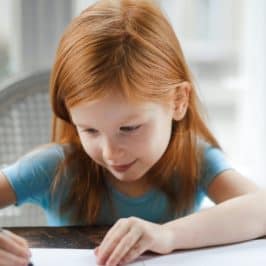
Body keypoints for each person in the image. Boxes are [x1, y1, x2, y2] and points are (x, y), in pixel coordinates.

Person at [0, 0, 263, 265]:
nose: (110, 152)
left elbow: (261, 209)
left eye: (129, 128)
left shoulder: (195, 159)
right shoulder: (54, 167)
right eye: (89, 130)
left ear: (178, 101)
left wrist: (167, 235)